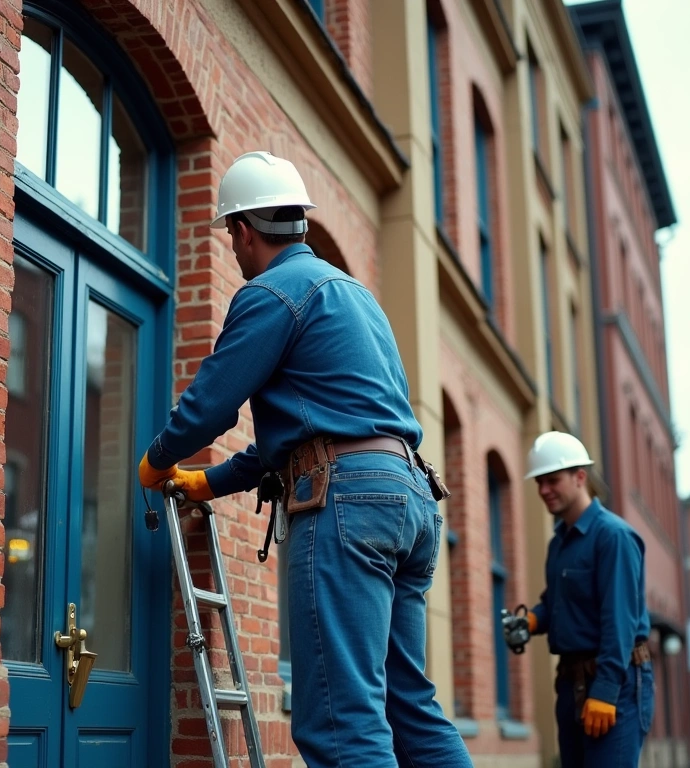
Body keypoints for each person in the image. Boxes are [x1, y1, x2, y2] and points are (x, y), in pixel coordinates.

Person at [137, 150, 471, 767]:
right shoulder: (357, 298)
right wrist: (209, 482)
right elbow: (299, 439)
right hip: (410, 499)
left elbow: (212, 405)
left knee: (343, 723)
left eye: (231, 237)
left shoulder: (271, 292)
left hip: (350, 505)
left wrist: (156, 461)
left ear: (241, 230)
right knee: (410, 707)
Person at [502, 431, 655, 767]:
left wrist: (606, 690)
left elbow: (620, 622)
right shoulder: (559, 543)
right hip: (571, 682)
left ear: (580, 477)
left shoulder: (613, 537)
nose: (543, 490)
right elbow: (558, 603)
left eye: (552, 480)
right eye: (539, 482)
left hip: (615, 681)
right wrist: (531, 621)